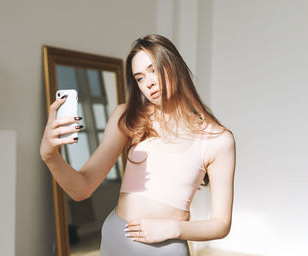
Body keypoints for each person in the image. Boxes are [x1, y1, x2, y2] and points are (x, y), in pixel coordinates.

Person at [40, 34, 236, 256]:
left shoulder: (218, 140)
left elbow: (221, 223)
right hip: (115, 240)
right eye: (140, 78)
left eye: (154, 70)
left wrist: (174, 228)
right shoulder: (128, 117)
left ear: (175, 66)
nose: (149, 82)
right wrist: (50, 156)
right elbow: (81, 189)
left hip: (165, 248)